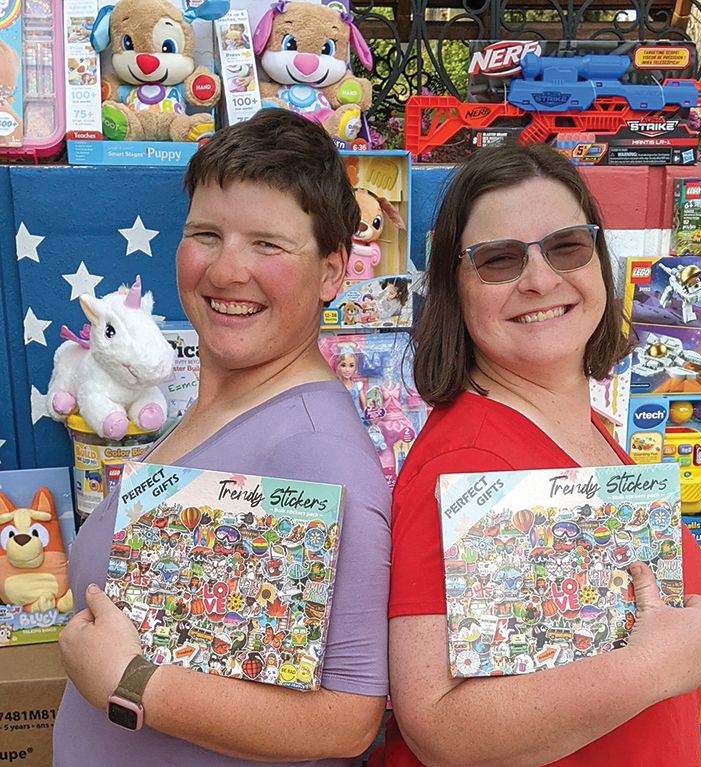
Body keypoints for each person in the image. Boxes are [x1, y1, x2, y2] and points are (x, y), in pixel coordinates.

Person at [55, 109, 391, 766]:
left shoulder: (312, 451)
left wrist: (131, 683)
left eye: (268, 244)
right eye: (207, 234)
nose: (226, 270)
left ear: (331, 271)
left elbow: (349, 718)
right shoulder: (224, 402)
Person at [370, 143, 701, 767]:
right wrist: (656, 665)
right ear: (454, 288)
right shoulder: (469, 463)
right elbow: (439, 727)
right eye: (499, 260)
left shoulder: (579, 427)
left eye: (566, 247)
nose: (540, 279)